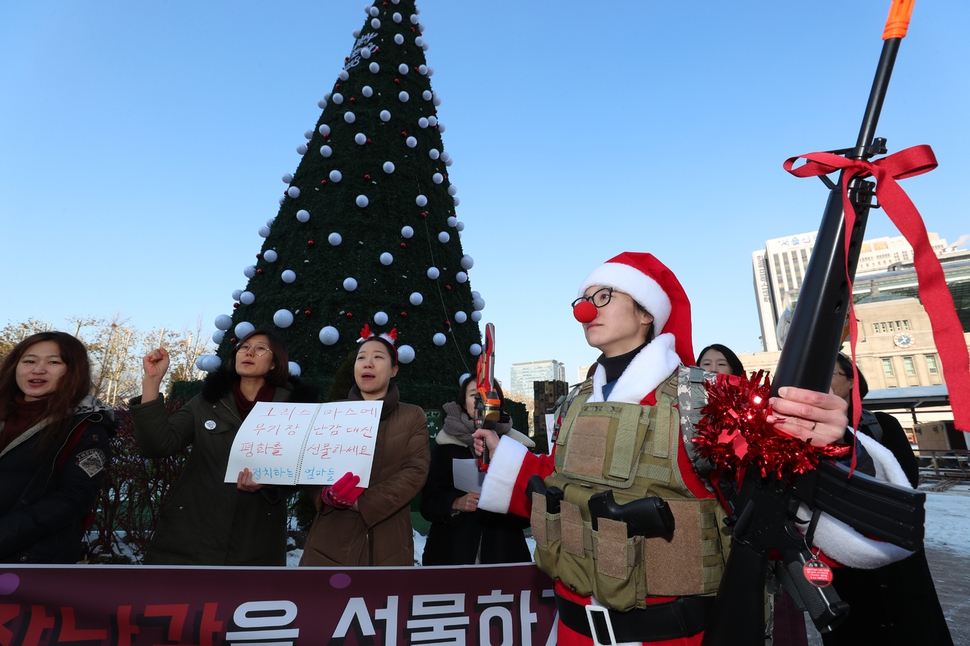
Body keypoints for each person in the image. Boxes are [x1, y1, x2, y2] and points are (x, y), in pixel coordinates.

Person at [473, 252, 903, 646]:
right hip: (571, 632)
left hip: (676, 637)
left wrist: (838, 450)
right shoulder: (576, 401)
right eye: (582, 299)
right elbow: (559, 486)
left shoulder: (712, 399)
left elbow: (788, 501)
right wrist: (504, 454)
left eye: (604, 295)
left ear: (647, 313)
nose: (587, 309)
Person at [130, 329, 317, 565]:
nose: (248, 352)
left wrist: (269, 483)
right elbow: (157, 445)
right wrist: (152, 381)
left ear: (274, 364)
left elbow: (304, 469)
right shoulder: (207, 402)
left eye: (260, 348)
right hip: (190, 535)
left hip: (256, 538)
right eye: (243, 347)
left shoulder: (294, 409)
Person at [820, 353, 952, 646]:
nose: (821, 381)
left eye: (831, 373)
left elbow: (905, 481)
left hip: (894, 546)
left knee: (912, 623)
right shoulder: (808, 434)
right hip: (840, 553)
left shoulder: (882, 425)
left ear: (853, 382)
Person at [300, 330, 430, 567]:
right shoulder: (331, 412)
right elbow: (309, 467)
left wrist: (366, 503)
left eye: (378, 357)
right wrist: (323, 493)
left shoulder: (412, 415)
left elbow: (415, 471)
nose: (368, 363)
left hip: (389, 542)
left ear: (394, 370)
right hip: (331, 539)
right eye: (361, 357)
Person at [0, 332, 116, 564]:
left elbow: (73, 498)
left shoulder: (86, 425)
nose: (38, 369)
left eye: (53, 362)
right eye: (29, 361)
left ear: (73, 371)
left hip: (27, 561)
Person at [420, 376, 533, 566]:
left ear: (498, 402)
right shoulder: (446, 444)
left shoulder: (516, 446)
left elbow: (529, 511)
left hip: (504, 553)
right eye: (474, 395)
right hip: (451, 552)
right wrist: (455, 503)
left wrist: (506, 500)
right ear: (464, 403)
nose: (481, 401)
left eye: (488, 395)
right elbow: (428, 502)